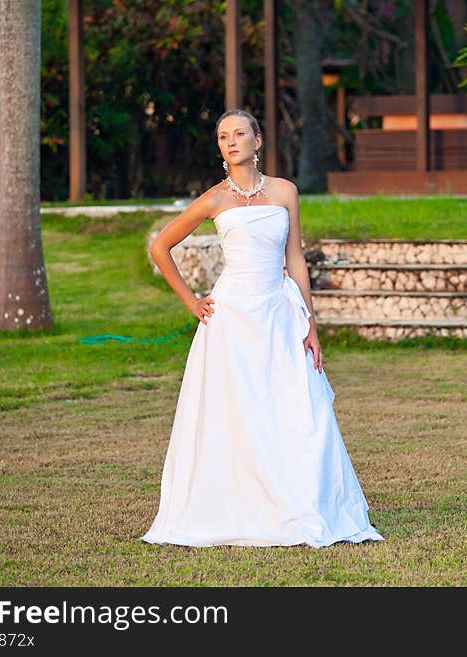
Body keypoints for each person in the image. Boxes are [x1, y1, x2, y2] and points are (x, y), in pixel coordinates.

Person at [140, 109, 383, 548]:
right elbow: (161, 245)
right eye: (222, 137)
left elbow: (294, 259)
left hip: (278, 313)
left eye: (238, 134)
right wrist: (191, 300)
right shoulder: (214, 198)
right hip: (230, 318)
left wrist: (309, 322)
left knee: (299, 410)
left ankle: (301, 504)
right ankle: (235, 506)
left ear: (258, 139)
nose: (230, 142)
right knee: (234, 414)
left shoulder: (285, 191)